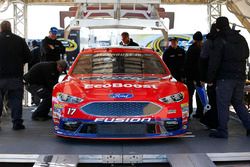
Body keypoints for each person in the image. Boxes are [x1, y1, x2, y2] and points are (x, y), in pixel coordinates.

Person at [207, 17, 250, 138]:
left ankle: (222, 131)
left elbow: (214, 62)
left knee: (223, 104)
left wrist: (210, 79)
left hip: (225, 77)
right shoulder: (241, 38)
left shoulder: (220, 40)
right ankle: (249, 126)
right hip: (240, 76)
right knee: (238, 103)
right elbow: (247, 53)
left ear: (218, 26)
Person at [0, 20, 31, 130]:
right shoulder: (19, 40)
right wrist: (21, 64)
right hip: (15, 76)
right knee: (16, 100)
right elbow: (28, 57)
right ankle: (17, 123)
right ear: (11, 28)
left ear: (1, 28)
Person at [199, 24, 218, 129]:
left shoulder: (208, 43)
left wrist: (203, 78)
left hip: (212, 78)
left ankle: (208, 121)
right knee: (215, 102)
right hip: (216, 78)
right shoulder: (217, 43)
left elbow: (202, 62)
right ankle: (210, 121)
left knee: (213, 101)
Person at [185, 31, 203, 118]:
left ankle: (189, 113)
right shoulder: (202, 49)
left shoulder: (191, 49)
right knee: (199, 95)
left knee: (190, 95)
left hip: (191, 77)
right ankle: (200, 112)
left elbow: (188, 64)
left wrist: (189, 77)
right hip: (199, 77)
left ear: (194, 39)